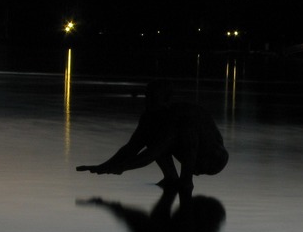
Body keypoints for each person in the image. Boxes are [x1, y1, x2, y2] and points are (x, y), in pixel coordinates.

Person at [77, 82, 228, 193]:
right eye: (147, 98)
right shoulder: (150, 117)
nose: (148, 103)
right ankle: (171, 178)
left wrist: (121, 167)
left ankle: (186, 181)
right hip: (189, 150)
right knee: (152, 132)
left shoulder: (179, 114)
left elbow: (153, 152)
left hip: (213, 158)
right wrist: (105, 166)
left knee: (186, 130)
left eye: (153, 99)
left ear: (166, 101)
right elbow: (132, 147)